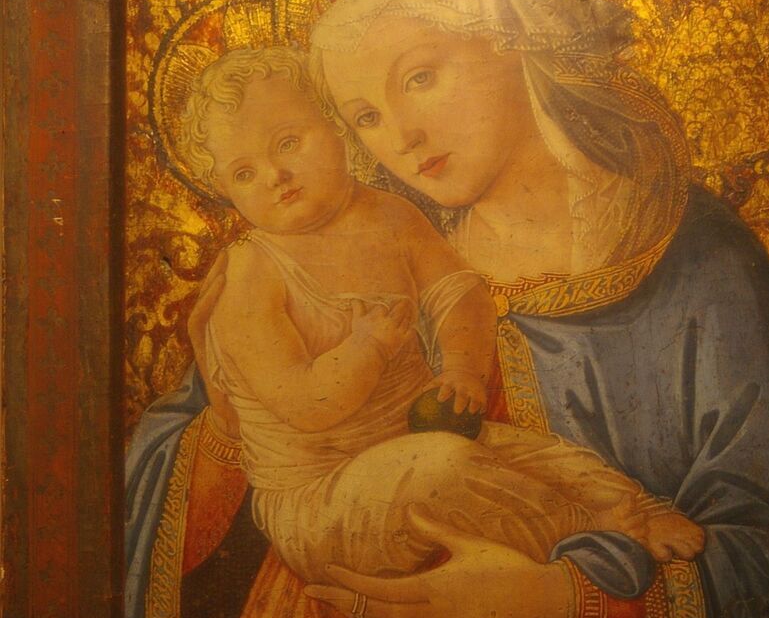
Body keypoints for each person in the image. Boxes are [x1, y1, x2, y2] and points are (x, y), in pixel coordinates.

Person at [126, 0, 769, 618]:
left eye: (421, 77)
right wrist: (227, 410)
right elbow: (180, 481)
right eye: (365, 115)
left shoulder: (696, 262)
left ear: (512, 38)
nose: (402, 138)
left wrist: (550, 598)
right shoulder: (320, 249)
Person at [177, 43, 703, 589]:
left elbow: (459, 293)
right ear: (225, 192)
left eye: (288, 143)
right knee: (441, 470)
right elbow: (306, 406)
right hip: (322, 502)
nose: (275, 175)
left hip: (415, 438)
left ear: (335, 128)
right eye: (244, 173)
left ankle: (635, 508)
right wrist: (367, 347)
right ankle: (594, 531)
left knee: (536, 455)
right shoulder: (249, 277)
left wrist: (462, 370)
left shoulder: (389, 215)